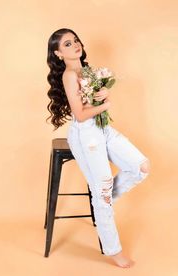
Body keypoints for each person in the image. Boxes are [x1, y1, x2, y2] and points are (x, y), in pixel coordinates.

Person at [46, 28, 150, 268]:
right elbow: (80, 115)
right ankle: (114, 250)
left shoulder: (87, 70)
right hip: (86, 135)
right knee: (102, 189)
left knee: (141, 167)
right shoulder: (70, 75)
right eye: (68, 44)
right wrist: (105, 105)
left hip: (102, 130)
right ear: (58, 53)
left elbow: (91, 102)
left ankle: (102, 199)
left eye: (76, 41)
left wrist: (103, 94)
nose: (75, 45)